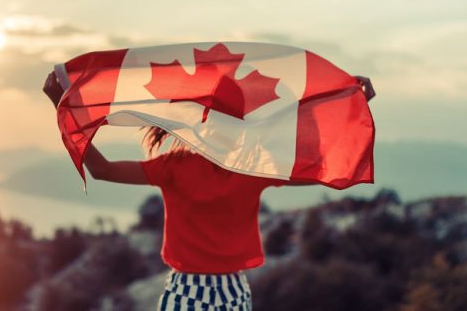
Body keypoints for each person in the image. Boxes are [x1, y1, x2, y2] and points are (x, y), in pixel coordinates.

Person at [43, 71, 375, 310]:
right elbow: (321, 169)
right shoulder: (254, 166)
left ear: (203, 119)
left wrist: (62, 108)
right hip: (234, 292)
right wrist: (356, 106)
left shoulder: (175, 166)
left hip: (186, 290)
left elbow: (101, 170)